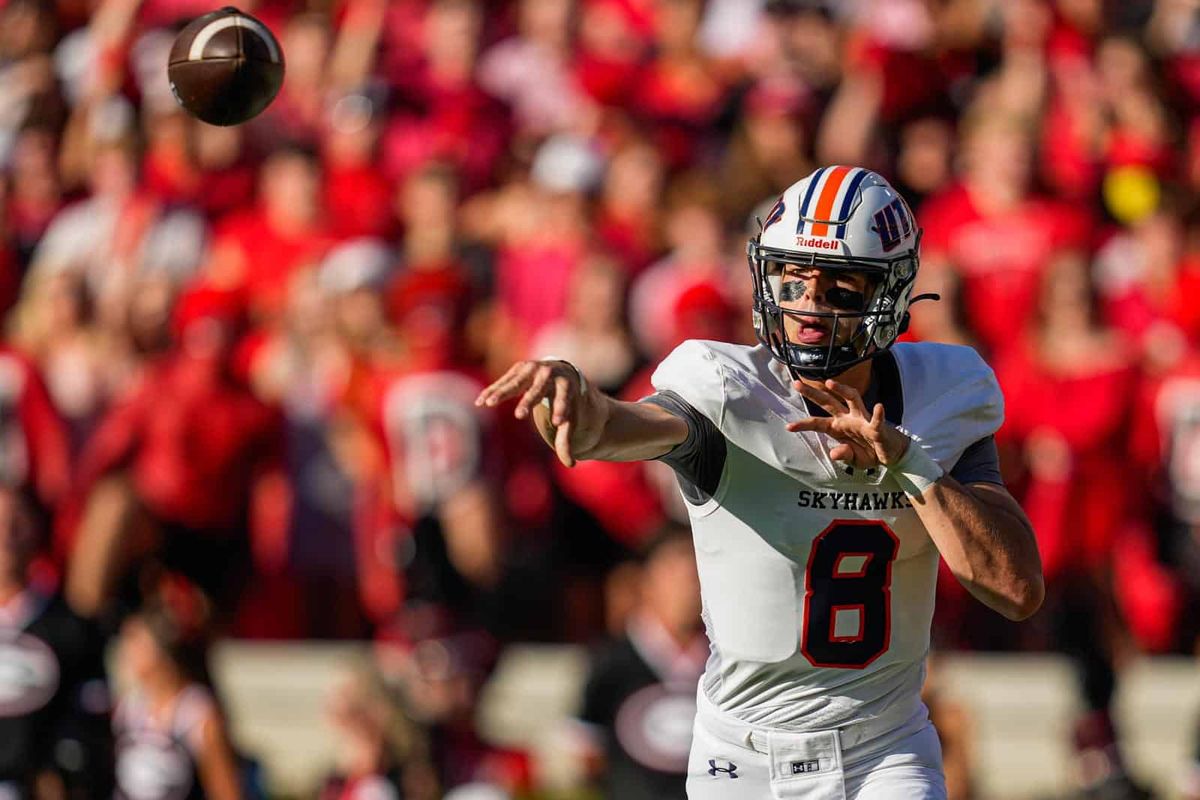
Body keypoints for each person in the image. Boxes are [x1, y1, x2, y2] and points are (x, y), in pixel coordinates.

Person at [477, 166, 1043, 798]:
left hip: (884, 749)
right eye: (792, 278)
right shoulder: (728, 389)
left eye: (839, 286)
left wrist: (909, 466)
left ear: (893, 292)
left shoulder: (944, 394)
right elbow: (624, 426)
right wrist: (582, 404)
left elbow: (1016, 588)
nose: (807, 304)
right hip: (742, 756)